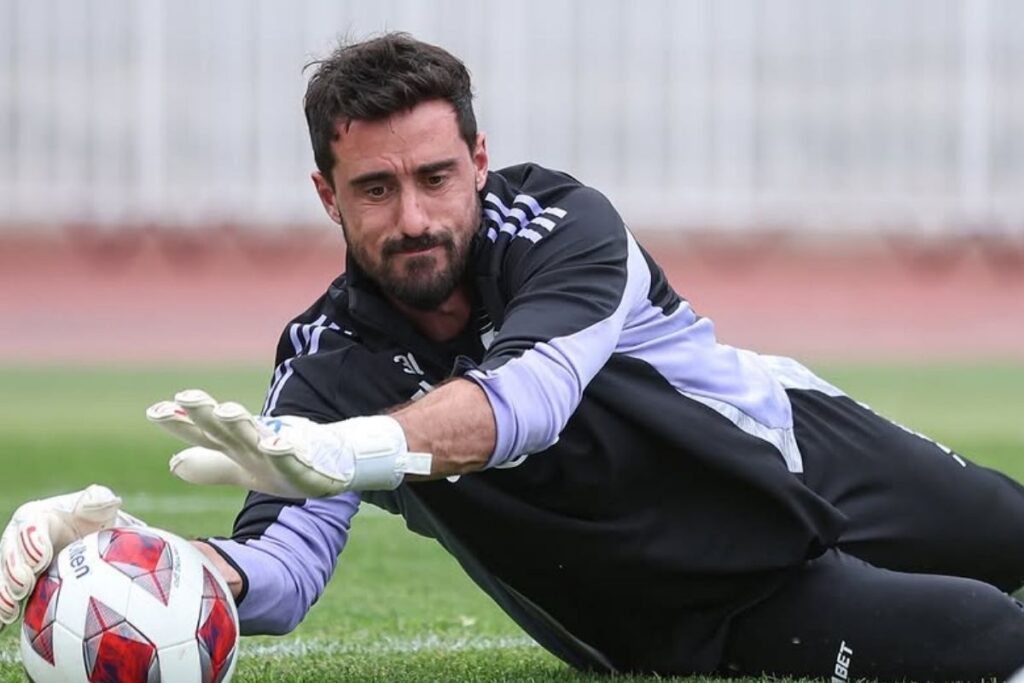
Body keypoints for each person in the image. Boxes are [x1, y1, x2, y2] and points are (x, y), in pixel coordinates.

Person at [3, 32, 1024, 681]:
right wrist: (153, 559)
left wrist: (357, 448)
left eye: (436, 175)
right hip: (698, 600)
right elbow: (279, 572)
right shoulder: (322, 364)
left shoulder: (565, 226)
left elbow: (523, 402)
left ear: (479, 163)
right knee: (984, 641)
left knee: (1011, 529)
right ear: (326, 195)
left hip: (804, 448)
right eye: (374, 189)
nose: (413, 216)